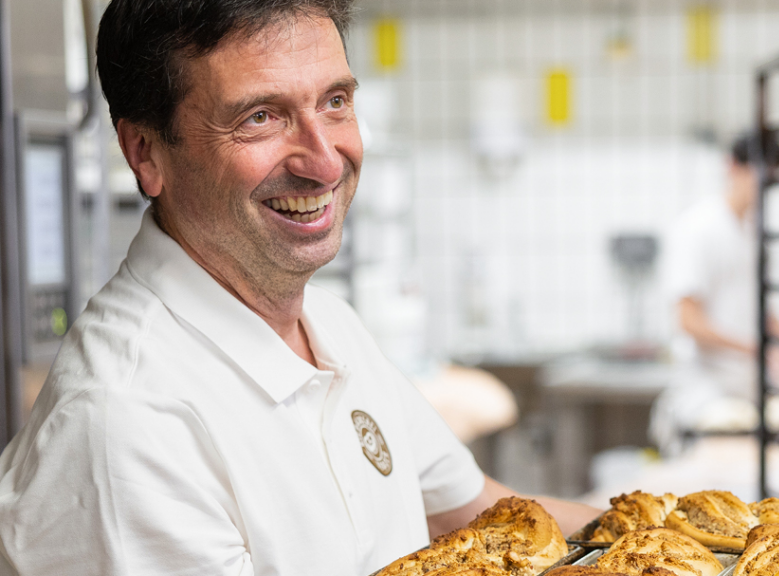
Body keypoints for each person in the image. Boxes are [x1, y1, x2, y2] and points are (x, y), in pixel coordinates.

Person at [0, 1, 598, 574]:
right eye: (261, 116)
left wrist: (669, 532)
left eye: (335, 102)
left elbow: (486, 517)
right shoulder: (127, 424)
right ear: (146, 152)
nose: (325, 162)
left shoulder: (331, 325)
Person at [650, 133, 779, 456]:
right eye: (759, 175)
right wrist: (754, 347)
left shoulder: (754, 232)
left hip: (747, 391)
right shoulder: (699, 228)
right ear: (732, 167)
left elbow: (762, 308)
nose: (764, 187)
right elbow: (688, 320)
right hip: (706, 395)